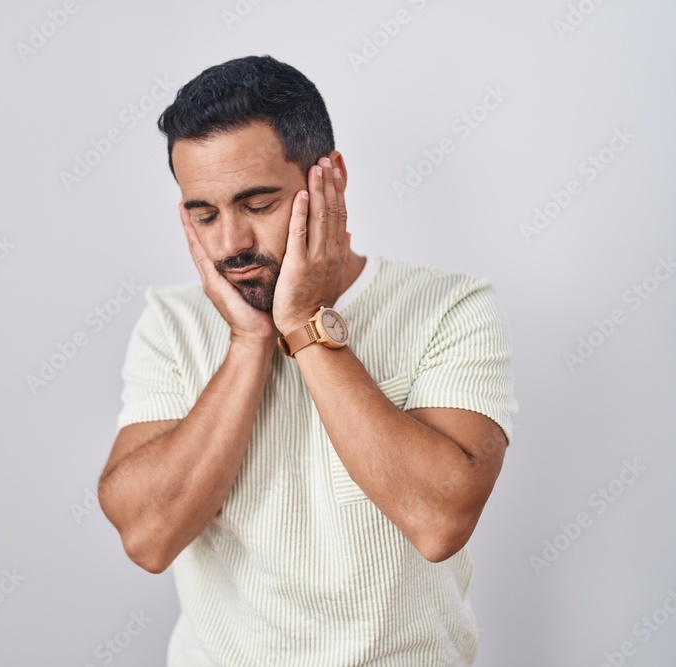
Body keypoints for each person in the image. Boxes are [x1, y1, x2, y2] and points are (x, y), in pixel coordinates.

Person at [97, 54, 518, 666]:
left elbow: (439, 521)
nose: (230, 244)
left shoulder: (449, 308)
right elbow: (148, 538)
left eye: (258, 204)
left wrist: (305, 327)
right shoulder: (174, 320)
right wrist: (248, 345)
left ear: (330, 179)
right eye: (204, 214)